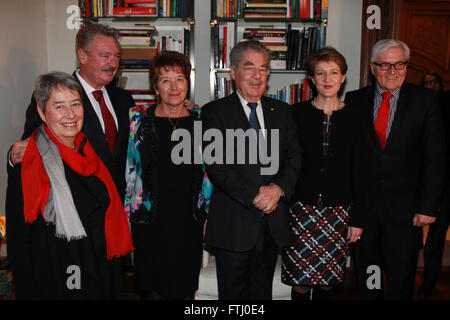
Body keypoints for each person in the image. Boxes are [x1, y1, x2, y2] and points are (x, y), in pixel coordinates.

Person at [5, 72, 134, 299]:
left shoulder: (89, 152)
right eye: (59, 106)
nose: (70, 115)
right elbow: (19, 241)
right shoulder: (30, 162)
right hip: (60, 279)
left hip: (101, 272)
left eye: (75, 104)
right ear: (41, 112)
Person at [345, 39, 446, 300]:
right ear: (372, 67)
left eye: (399, 64)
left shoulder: (425, 101)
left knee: (401, 280)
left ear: (406, 66)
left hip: (406, 212)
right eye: (385, 65)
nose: (393, 71)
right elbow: (350, 158)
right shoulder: (354, 100)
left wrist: (427, 207)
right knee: (370, 278)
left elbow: (435, 158)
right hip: (365, 212)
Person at [201, 40, 302, 300]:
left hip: (271, 225)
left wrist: (277, 190)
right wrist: (257, 196)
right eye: (249, 68)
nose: (257, 76)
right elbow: (218, 167)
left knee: (261, 295)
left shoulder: (281, 111)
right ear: (234, 72)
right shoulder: (214, 112)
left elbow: (294, 157)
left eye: (263, 69)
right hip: (233, 224)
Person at [9, 23, 135, 201]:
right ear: (82, 56)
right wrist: (12, 157)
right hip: (76, 207)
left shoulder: (124, 99)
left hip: (119, 207)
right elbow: (29, 149)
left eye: (116, 56)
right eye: (105, 56)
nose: (113, 63)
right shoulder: (55, 97)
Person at [124, 51, 209, 300]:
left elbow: (209, 174)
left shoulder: (203, 120)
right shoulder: (137, 119)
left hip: (189, 221)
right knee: (152, 290)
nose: (174, 87)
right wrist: (129, 213)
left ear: (187, 84)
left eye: (180, 79)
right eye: (165, 80)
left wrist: (208, 214)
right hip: (150, 220)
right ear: (155, 87)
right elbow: (131, 168)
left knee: (184, 289)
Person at [281, 47, 364, 300]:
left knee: (328, 282)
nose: (327, 79)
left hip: (339, 212)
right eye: (321, 73)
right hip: (299, 210)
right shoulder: (295, 114)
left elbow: (363, 171)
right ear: (312, 79)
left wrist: (358, 218)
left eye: (334, 73)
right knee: (300, 281)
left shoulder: (357, 116)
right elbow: (285, 161)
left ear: (343, 77)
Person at [418, 71, 450, 298]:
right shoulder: (422, 107)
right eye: (426, 83)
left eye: (434, 82)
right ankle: (428, 284)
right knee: (434, 240)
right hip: (436, 184)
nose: (431, 86)